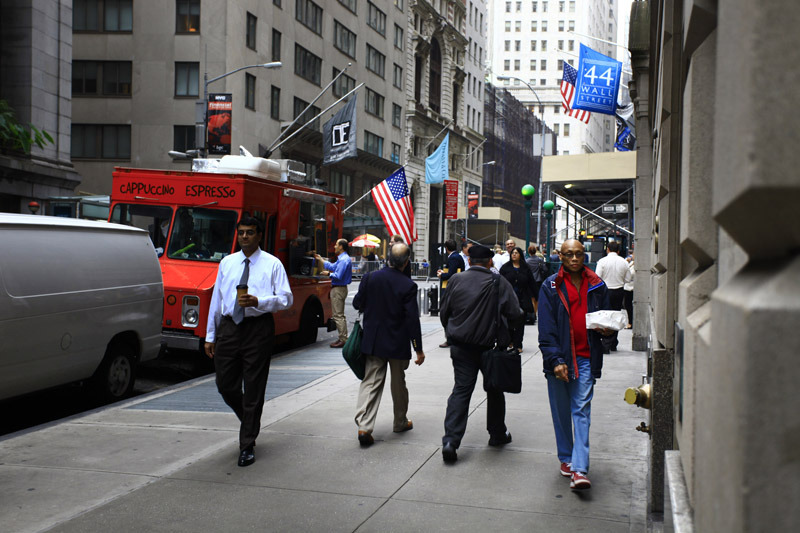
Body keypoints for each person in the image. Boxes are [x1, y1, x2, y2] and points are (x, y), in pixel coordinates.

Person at [205, 216, 293, 467]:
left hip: (258, 329)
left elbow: (286, 299)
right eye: (241, 232)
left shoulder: (272, 264)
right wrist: (210, 335)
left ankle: (247, 444)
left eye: (250, 233)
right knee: (225, 384)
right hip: (230, 328)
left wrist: (259, 302)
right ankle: (249, 418)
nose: (245, 237)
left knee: (254, 387)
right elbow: (217, 301)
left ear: (259, 235)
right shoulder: (227, 263)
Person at [538, 239, 611, 490]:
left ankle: (580, 468)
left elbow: (609, 319)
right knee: (561, 412)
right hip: (559, 357)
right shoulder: (550, 286)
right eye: (569, 254)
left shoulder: (598, 285)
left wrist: (608, 332)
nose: (574, 259)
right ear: (560, 256)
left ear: (585, 256)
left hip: (587, 357)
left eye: (579, 254)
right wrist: (555, 360)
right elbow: (546, 329)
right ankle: (566, 458)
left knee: (581, 410)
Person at [439, 245, 524, 463]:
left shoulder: (456, 280)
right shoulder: (498, 281)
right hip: (491, 347)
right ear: (489, 262)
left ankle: (450, 441)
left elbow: (444, 312)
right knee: (495, 391)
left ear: (470, 260)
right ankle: (497, 434)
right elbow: (516, 313)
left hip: (461, 346)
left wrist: (451, 332)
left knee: (460, 391)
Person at [352, 243, 425, 446]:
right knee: (398, 383)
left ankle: (364, 426)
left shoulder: (370, 277)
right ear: (407, 262)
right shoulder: (408, 286)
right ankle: (400, 421)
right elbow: (412, 319)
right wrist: (418, 349)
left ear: (388, 259)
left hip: (374, 340)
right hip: (397, 342)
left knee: (371, 382)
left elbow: (357, 303)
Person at [594, 241, 632, 353]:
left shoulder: (602, 261)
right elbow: (628, 279)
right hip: (619, 291)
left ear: (608, 250)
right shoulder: (624, 262)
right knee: (615, 316)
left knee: (604, 316)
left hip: (605, 290)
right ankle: (613, 342)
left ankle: (604, 342)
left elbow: (597, 277)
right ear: (618, 251)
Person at [316, 239, 352, 348]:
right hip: (340, 288)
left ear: (341, 247)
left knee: (338, 315)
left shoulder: (343, 260)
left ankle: (343, 339)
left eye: (336, 244)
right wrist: (321, 260)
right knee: (339, 314)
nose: (335, 246)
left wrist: (328, 274)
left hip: (338, 289)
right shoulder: (343, 259)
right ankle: (342, 337)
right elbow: (332, 266)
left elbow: (338, 275)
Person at [499, 246, 537, 352]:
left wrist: (536, 296)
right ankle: (510, 341)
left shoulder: (526, 268)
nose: (514, 254)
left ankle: (518, 344)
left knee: (520, 323)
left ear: (520, 255)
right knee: (509, 321)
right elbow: (500, 282)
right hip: (509, 299)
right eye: (512, 253)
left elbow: (531, 283)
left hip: (522, 298)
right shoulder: (505, 268)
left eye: (516, 253)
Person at [436, 239, 465, 348]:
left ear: (446, 248)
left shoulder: (453, 257)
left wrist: (441, 275)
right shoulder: (457, 256)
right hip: (455, 287)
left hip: (451, 288)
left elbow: (451, 274)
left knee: (447, 313)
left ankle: (450, 339)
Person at [526, 244, 548, 323]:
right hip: (538, 280)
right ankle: (536, 312)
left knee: (531, 298)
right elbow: (545, 269)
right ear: (535, 251)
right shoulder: (539, 260)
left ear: (529, 252)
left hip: (530, 281)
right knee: (537, 298)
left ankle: (532, 314)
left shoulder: (527, 261)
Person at [623, 253, 635, 328]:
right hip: (627, 287)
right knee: (627, 305)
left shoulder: (636, 266)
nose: (632, 255)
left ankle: (630, 322)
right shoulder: (631, 263)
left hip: (631, 288)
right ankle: (630, 322)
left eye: (633, 254)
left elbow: (629, 275)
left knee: (628, 306)